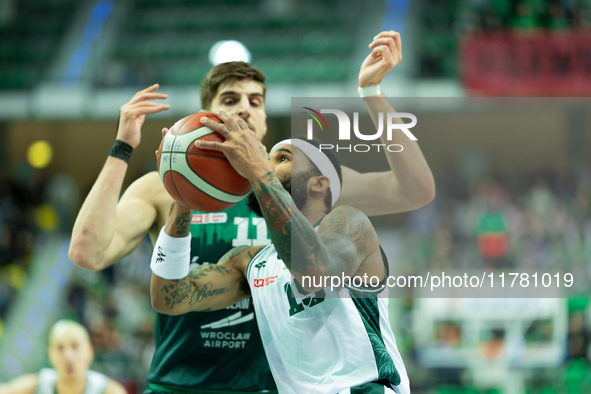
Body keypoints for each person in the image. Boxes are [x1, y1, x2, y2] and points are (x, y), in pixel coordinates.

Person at [69, 31, 433, 393]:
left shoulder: (314, 185)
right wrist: (162, 185)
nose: (245, 107)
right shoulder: (237, 246)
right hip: (182, 382)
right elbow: (111, 265)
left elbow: (413, 189)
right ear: (205, 115)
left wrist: (372, 92)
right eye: (230, 99)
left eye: (256, 101)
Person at [149, 127, 410, 393]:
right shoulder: (249, 260)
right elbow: (170, 298)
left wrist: (258, 169)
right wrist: (182, 200)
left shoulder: (351, 223)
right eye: (266, 159)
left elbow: (316, 272)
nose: (266, 164)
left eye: (282, 158)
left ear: (319, 183)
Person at [0, 320, 126, 394]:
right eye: (60, 348)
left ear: (90, 351)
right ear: (50, 354)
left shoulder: (108, 390)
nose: (68, 356)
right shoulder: (38, 383)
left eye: (75, 346)